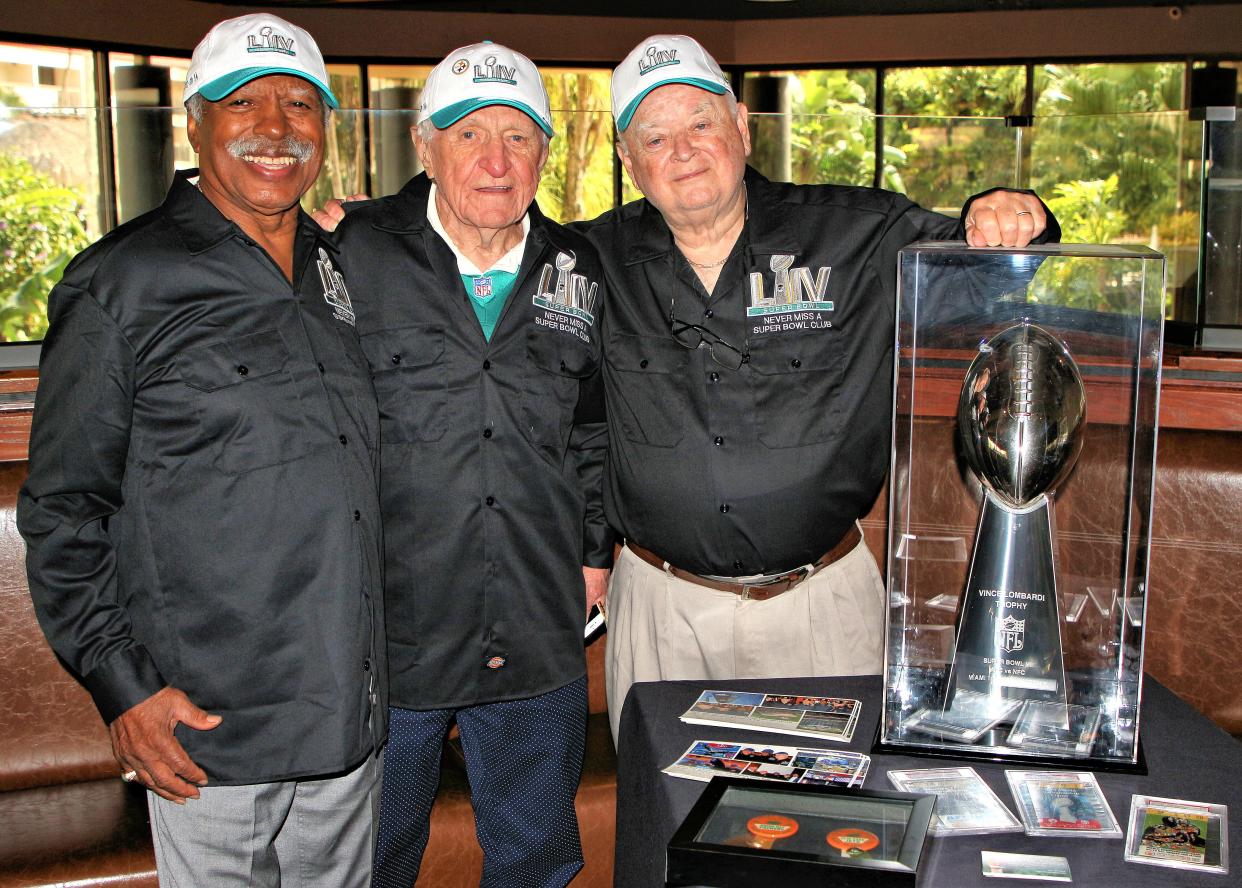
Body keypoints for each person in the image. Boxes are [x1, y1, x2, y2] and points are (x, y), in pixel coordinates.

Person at [577, 34, 1061, 742]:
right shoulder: (589, 257)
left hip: (821, 607)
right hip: (661, 612)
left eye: (701, 124)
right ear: (628, 157)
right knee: (668, 840)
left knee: (831, 834)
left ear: (741, 127)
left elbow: (991, 266)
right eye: (655, 134)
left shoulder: (854, 235)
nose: (681, 150)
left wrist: (1015, 218)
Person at [17, 14, 385, 887]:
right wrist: (124, 688)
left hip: (350, 711)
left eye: (301, 104)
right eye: (243, 102)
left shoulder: (341, 270)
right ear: (193, 121)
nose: (276, 127)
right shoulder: (120, 282)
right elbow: (64, 510)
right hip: (207, 728)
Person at [331, 42, 610, 888]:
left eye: (518, 136)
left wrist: (595, 552)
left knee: (536, 859)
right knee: (377, 860)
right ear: (425, 144)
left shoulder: (581, 267)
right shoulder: (351, 252)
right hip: (391, 628)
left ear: (545, 152)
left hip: (534, 623)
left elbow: (595, 429)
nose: (495, 160)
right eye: (468, 134)